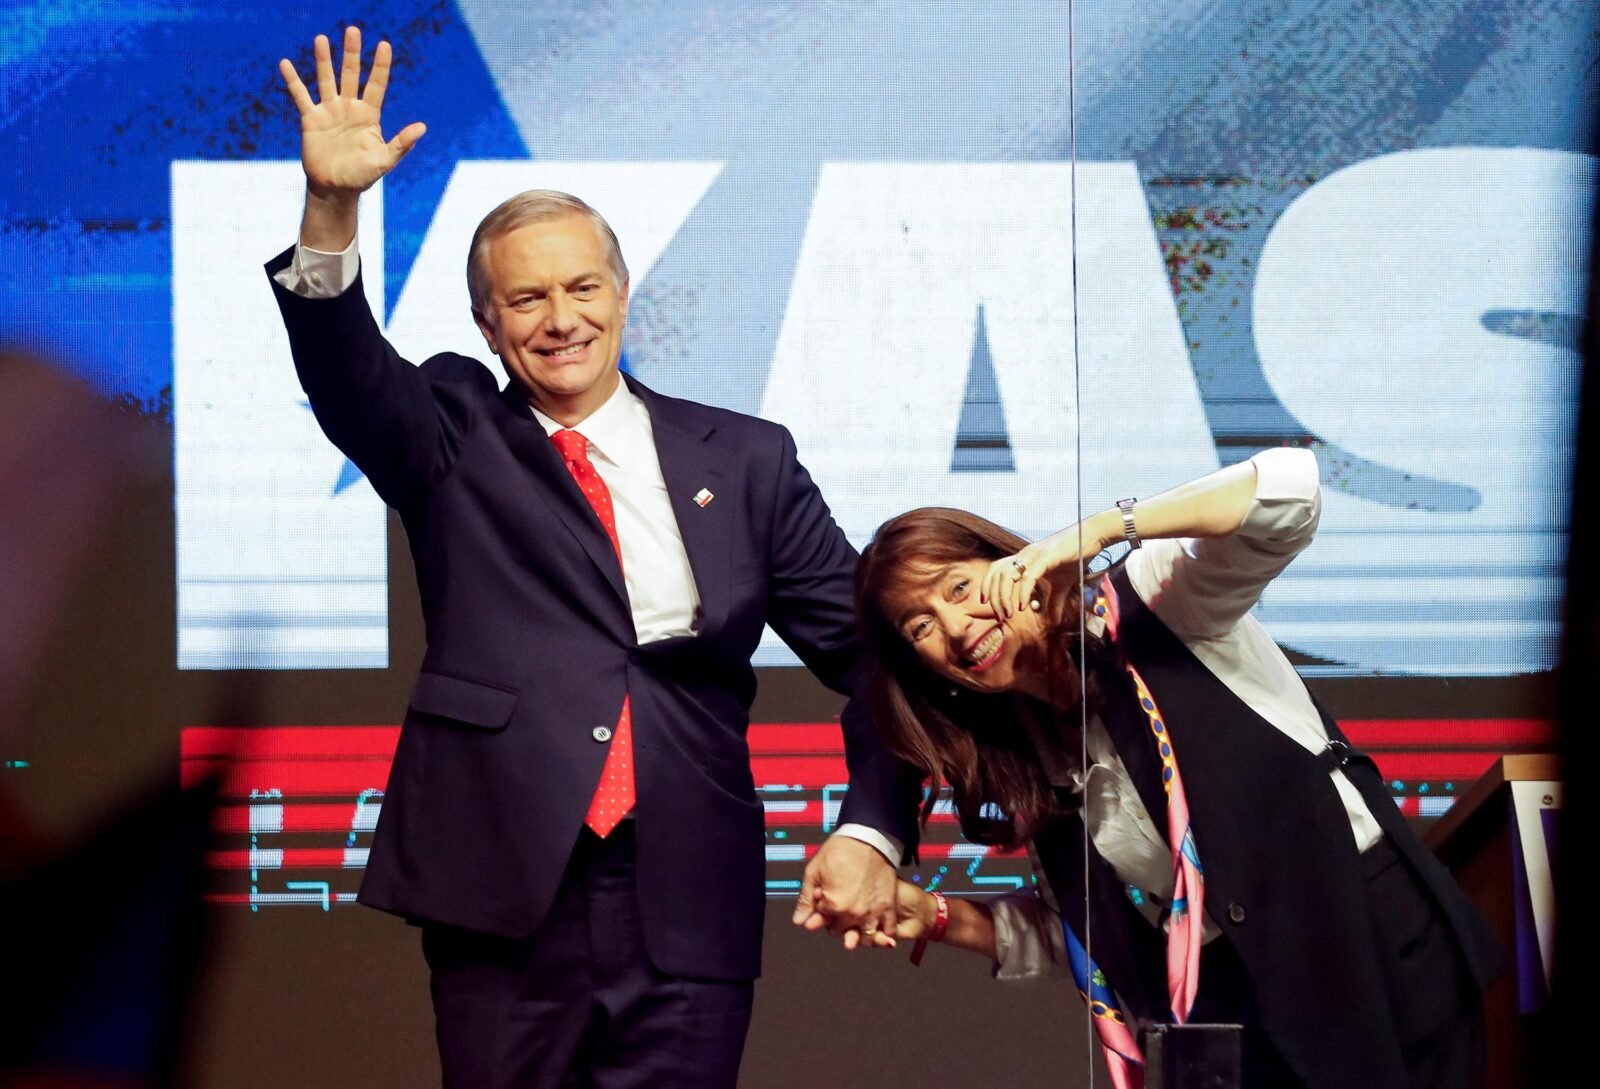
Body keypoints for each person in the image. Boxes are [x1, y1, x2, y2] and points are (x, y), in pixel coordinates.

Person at [267, 28, 919, 1088]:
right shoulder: (451, 432)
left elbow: (881, 658)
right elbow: (344, 371)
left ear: (621, 296)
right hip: (503, 885)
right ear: (487, 321)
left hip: (687, 892)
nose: (560, 320)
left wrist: (874, 831)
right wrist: (332, 208)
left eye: (581, 289)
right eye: (526, 299)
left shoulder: (747, 460)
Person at [850, 447, 1502, 1089]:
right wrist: (932, 914)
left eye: (959, 588)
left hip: (1369, 945)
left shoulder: (1153, 598)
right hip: (1246, 1015)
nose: (956, 626)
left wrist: (1099, 530)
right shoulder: (1028, 756)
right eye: (919, 628)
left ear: (1008, 562)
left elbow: (1292, 488)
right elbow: (1090, 932)